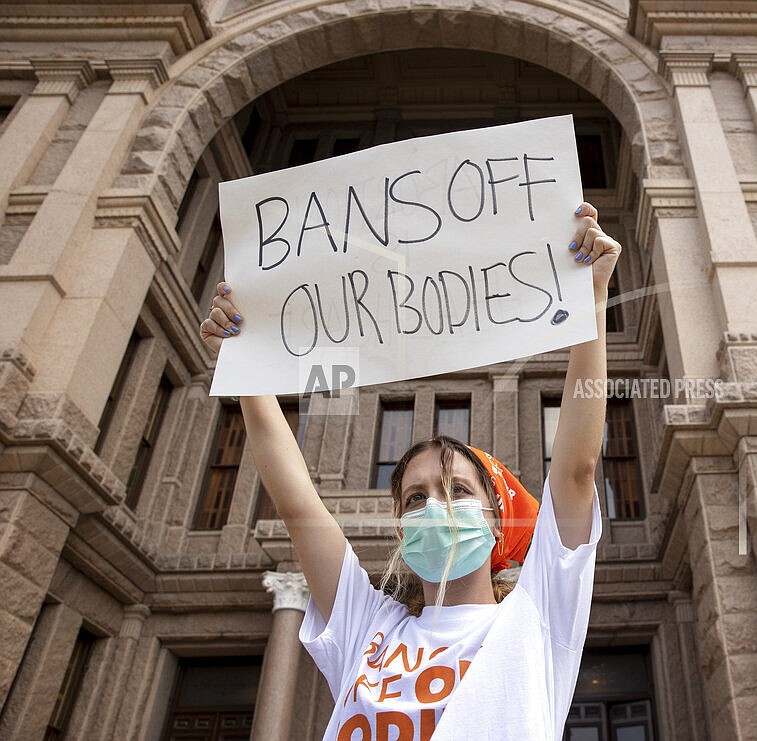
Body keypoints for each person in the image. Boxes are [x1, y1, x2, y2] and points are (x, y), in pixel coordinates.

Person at [200, 202, 621, 740]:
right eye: (416, 499)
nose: (435, 507)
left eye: (456, 490)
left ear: (496, 519)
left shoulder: (538, 617)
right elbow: (297, 502)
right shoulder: (366, 625)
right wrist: (243, 367)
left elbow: (576, 471)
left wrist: (592, 302)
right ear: (400, 526)